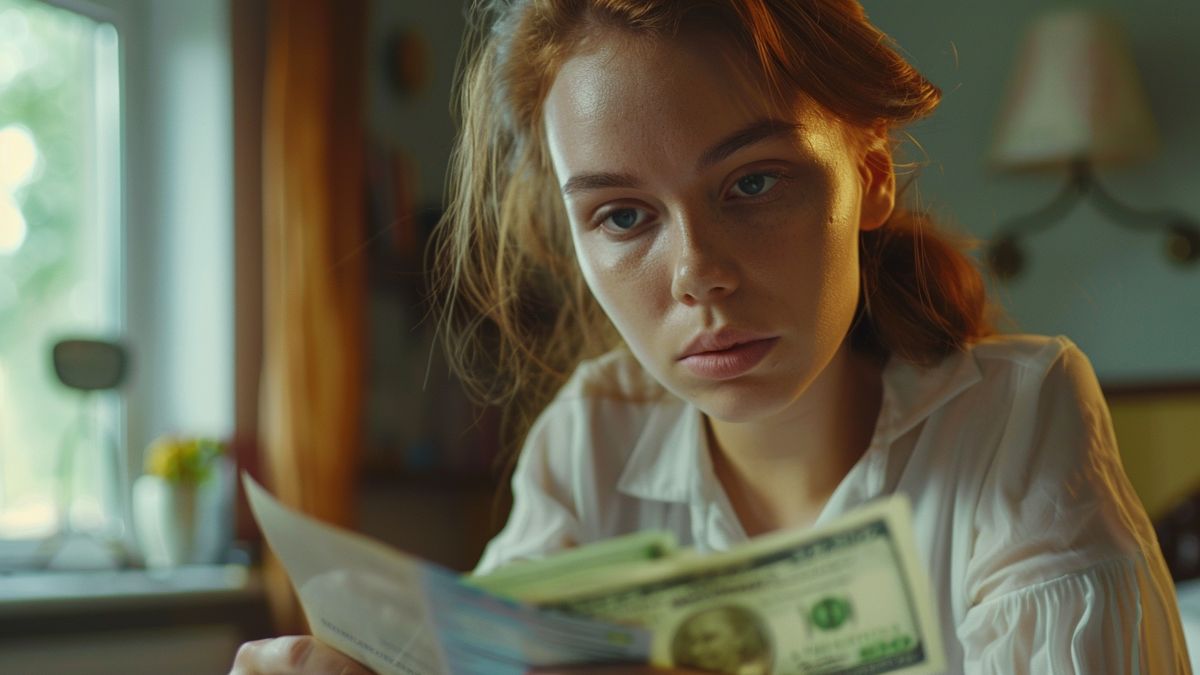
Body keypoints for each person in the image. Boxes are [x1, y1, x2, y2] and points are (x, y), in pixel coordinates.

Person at [231, 0, 1192, 673]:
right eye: (621, 217)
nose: (697, 274)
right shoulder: (591, 438)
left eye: (752, 183)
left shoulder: (1018, 418)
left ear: (869, 170)